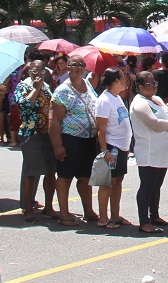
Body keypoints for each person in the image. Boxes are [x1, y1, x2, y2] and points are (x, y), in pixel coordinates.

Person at [49, 54, 100, 226]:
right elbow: (54, 120)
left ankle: (88, 211)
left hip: (89, 139)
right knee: (65, 176)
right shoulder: (62, 91)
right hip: (71, 139)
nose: (78, 68)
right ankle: (64, 214)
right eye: (74, 65)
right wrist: (58, 146)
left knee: (85, 177)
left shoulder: (87, 84)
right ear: (67, 67)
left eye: (81, 65)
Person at [129, 72, 168, 233]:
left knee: (156, 185)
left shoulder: (156, 99)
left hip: (162, 151)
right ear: (140, 87)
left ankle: (154, 215)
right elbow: (155, 124)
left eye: (155, 83)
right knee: (147, 185)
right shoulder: (139, 103)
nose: (154, 86)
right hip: (149, 151)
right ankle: (144, 222)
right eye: (150, 84)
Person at [14, 59, 58, 223]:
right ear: (29, 71)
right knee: (30, 171)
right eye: (35, 71)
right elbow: (24, 105)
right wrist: (36, 88)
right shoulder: (23, 86)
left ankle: (48, 207)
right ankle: (28, 207)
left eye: (41, 71)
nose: (38, 74)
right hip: (30, 133)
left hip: (47, 133)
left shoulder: (47, 87)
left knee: (50, 171)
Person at [95, 67, 133, 229]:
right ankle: (103, 218)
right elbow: (101, 129)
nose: (126, 81)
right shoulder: (104, 100)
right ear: (116, 81)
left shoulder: (116, 97)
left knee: (118, 181)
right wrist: (104, 151)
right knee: (107, 182)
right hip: (111, 146)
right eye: (123, 78)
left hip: (122, 147)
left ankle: (115, 215)